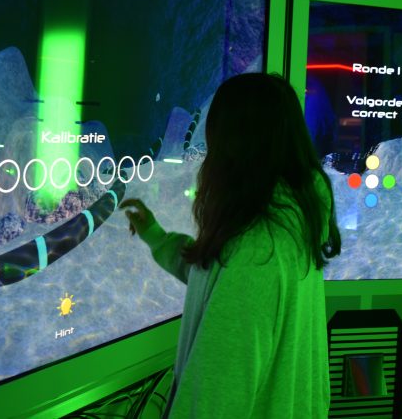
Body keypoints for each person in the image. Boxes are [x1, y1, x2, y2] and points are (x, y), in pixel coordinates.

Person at [120, 72, 341, 418]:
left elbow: (213, 400)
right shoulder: (289, 221)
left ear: (235, 150)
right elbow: (217, 278)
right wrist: (157, 237)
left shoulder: (259, 252)